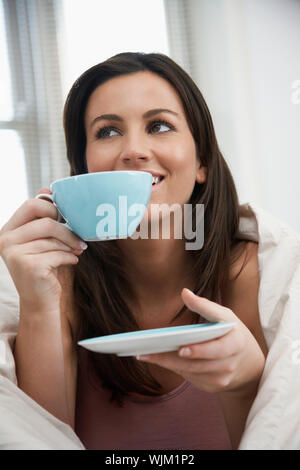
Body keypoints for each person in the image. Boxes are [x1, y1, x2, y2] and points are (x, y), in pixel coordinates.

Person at [0, 52, 268, 450]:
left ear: (203, 163)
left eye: (159, 125)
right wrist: (39, 302)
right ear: (84, 168)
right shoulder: (62, 282)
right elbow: (39, 440)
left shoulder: (253, 271)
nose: (134, 150)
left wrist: (245, 383)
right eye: (107, 132)